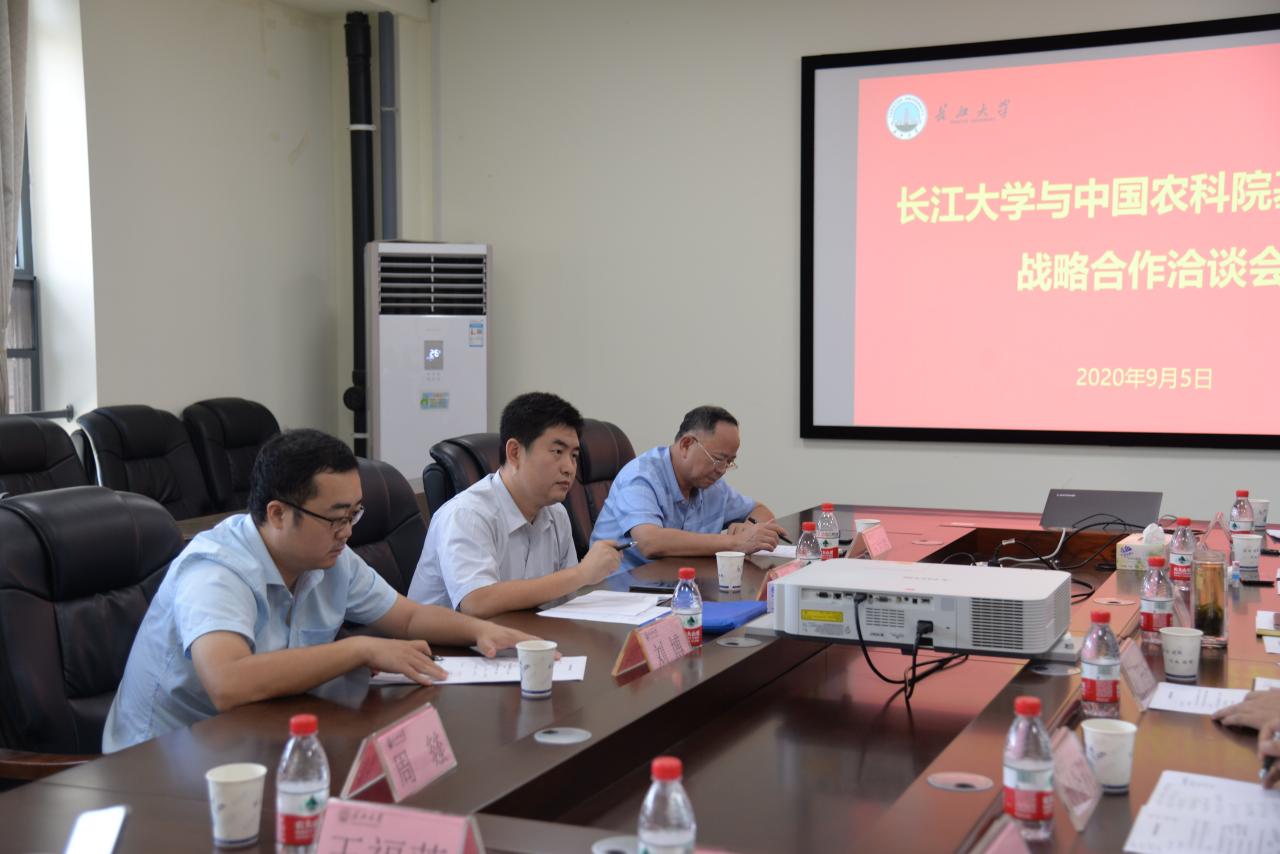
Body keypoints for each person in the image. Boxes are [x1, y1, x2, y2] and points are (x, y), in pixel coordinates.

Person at [103, 429, 537, 752]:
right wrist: (358, 650)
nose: (347, 531)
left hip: (264, 737)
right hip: (162, 761)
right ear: (278, 514)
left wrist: (479, 631)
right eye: (336, 518)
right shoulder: (216, 570)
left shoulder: (328, 557)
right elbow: (228, 682)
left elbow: (407, 617)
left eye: (354, 514)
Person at [408, 392, 621, 617]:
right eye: (557, 452)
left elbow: (563, 601)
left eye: (574, 456)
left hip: (521, 634)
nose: (569, 468)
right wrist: (582, 574)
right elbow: (476, 602)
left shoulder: (556, 514)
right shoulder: (467, 514)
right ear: (515, 452)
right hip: (448, 639)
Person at [590, 405, 785, 571]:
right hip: (620, 590)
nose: (722, 470)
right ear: (686, 445)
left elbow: (761, 510)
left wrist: (749, 527)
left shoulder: (712, 485)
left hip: (678, 584)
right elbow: (649, 542)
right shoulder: (640, 476)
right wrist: (737, 542)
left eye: (729, 461)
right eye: (718, 459)